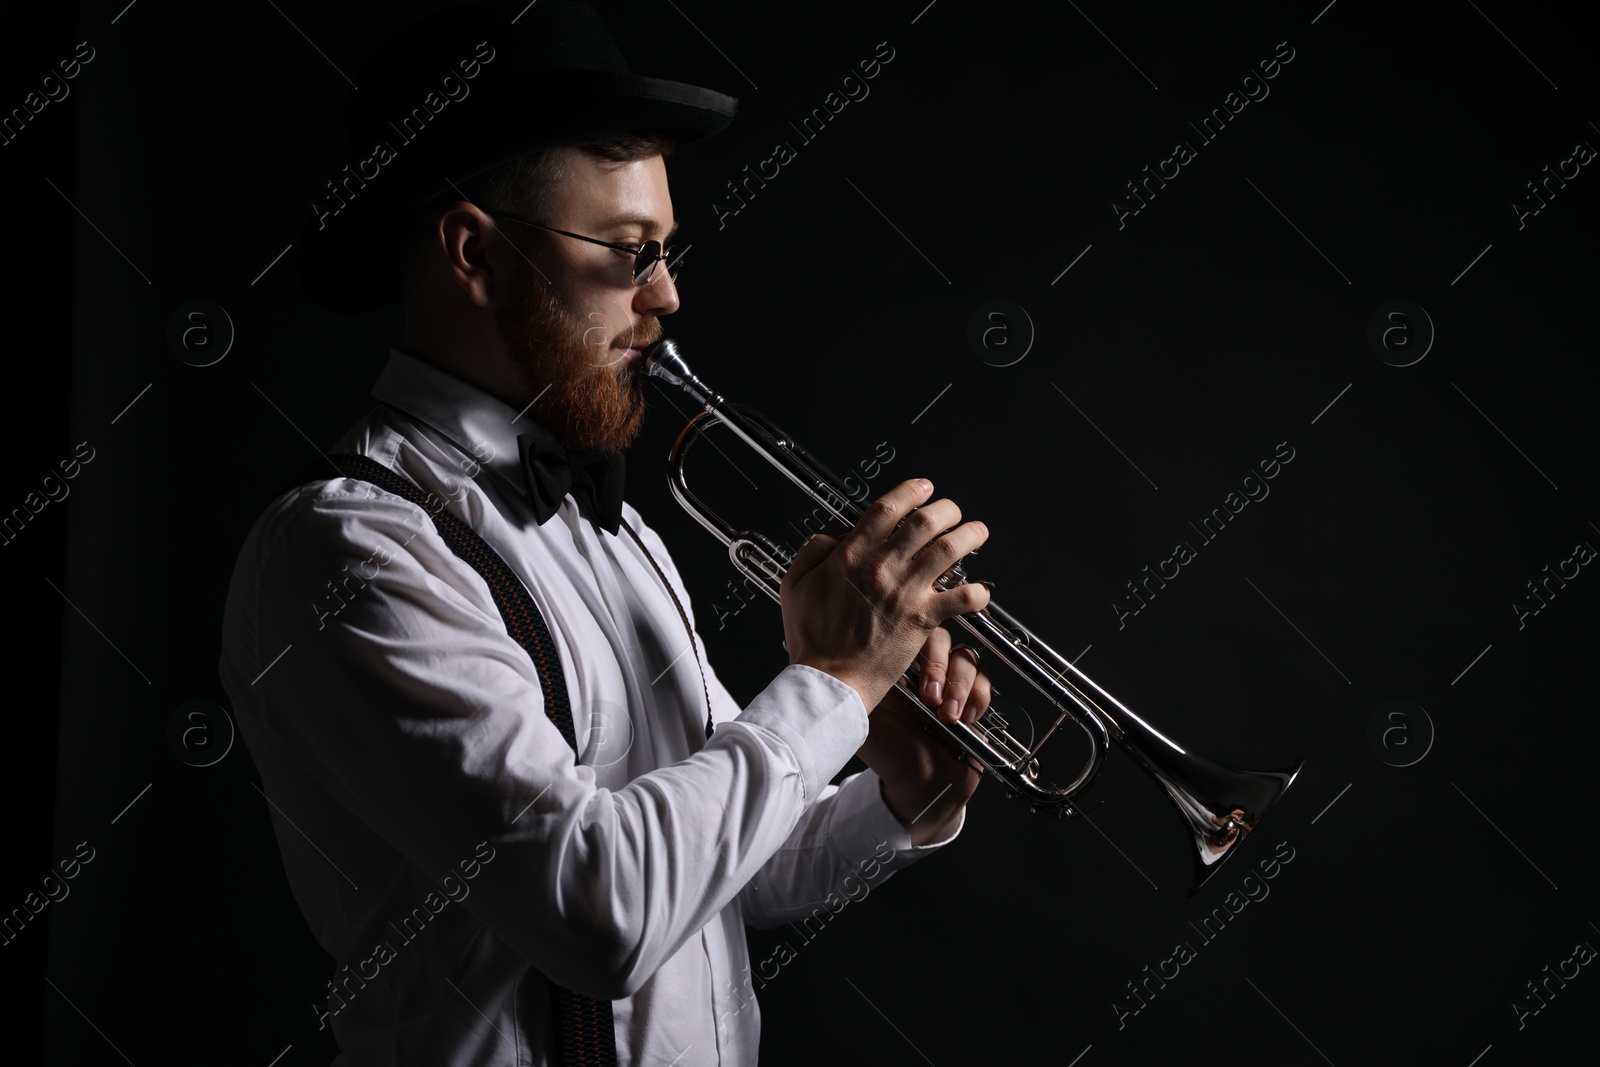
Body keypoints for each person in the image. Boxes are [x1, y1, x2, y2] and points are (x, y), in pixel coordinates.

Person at [219, 3, 992, 1063]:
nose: (667, 296)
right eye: (631, 253)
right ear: (474, 254)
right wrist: (838, 683)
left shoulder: (617, 533)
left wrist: (904, 788)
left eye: (667, 253)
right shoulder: (344, 552)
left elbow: (743, 867)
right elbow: (600, 910)